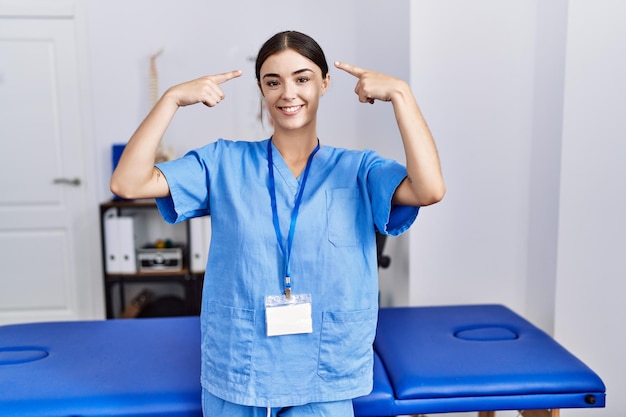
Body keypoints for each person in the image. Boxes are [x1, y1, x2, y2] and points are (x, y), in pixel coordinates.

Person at [111, 30, 444, 417]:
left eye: (302, 78)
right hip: (240, 368)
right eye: (273, 81)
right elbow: (127, 183)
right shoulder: (223, 162)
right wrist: (170, 100)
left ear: (325, 83)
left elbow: (429, 189)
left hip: (323, 370)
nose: (288, 93)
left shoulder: (358, 169)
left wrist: (401, 96)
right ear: (261, 90)